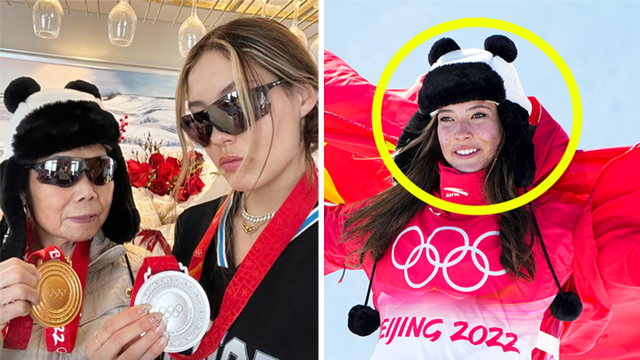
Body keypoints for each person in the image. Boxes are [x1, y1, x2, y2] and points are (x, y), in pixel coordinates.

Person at [325, 35, 589, 360]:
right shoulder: (387, 220)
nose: (461, 131)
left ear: (509, 124)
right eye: (446, 118)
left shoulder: (561, 224)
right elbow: (294, 233)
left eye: (478, 114)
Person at [171, 17, 319, 359]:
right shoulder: (192, 226)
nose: (219, 137)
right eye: (200, 122)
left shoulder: (340, 244)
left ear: (303, 96)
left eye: (235, 106)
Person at [0, 78, 165, 360]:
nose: (88, 192)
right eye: (61, 171)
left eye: (100, 169)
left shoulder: (143, 273)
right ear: (21, 189)